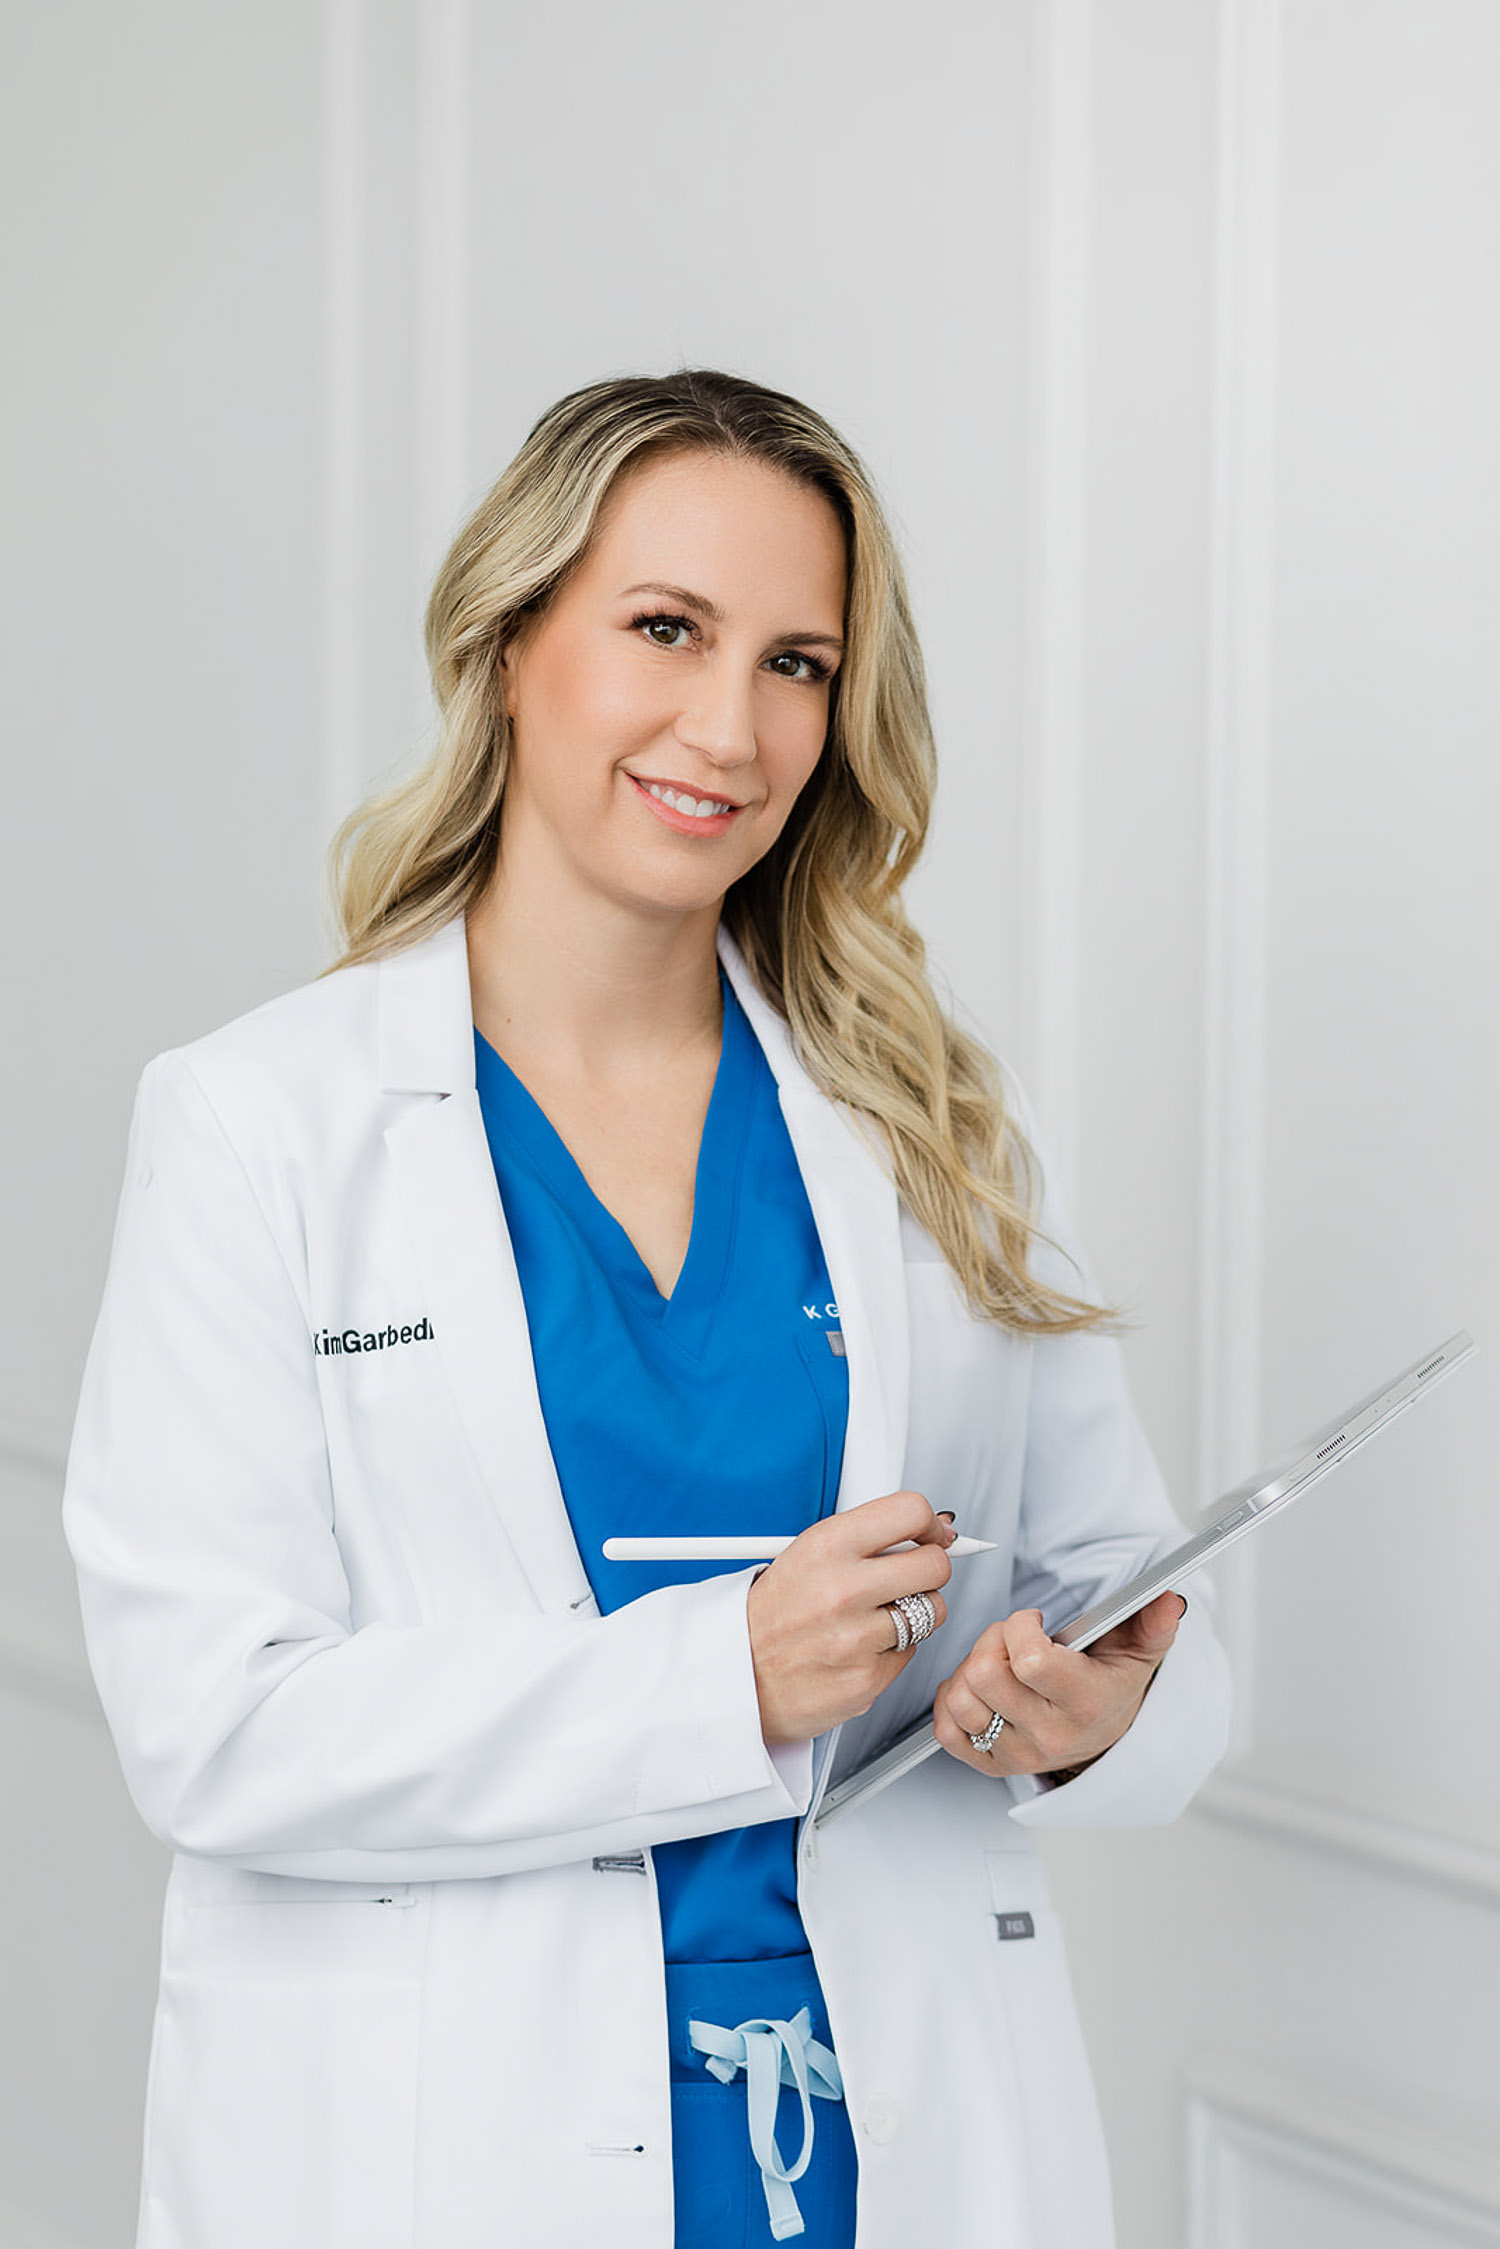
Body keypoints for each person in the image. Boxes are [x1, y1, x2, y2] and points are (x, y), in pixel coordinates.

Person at [63, 367, 1231, 2249]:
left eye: (796, 661)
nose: (731, 724)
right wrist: (724, 1675)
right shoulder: (259, 1121)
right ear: (512, 640)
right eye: (665, 629)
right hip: (453, 2148)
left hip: (892, 2140)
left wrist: (1086, 1712)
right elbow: (214, 1724)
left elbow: (1134, 1598)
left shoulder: (929, 1121)